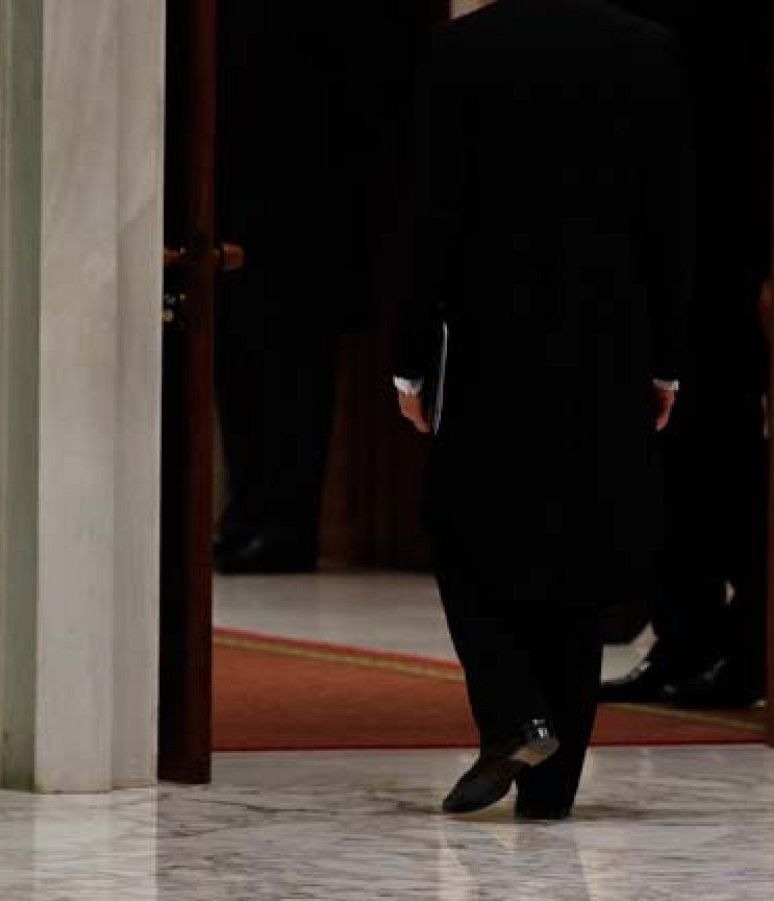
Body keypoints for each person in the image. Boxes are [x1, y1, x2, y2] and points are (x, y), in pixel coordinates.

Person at [394, 0, 693, 820]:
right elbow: (669, 215)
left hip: (491, 335)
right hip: (611, 336)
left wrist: (411, 359)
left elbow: (429, 211)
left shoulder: (461, 49)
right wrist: (667, 357)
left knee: (461, 529)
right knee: (581, 547)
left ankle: (512, 715)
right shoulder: (648, 46)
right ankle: (552, 785)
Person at [598, 0, 773, 710]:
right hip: (664, 254)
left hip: (727, 257)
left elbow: (756, 128)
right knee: (671, 455)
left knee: (724, 454)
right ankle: (683, 637)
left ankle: (749, 643)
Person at [214, 5, 429, 573]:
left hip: (318, 201)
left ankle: (284, 521)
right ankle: (246, 511)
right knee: (237, 360)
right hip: (243, 192)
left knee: (294, 372)